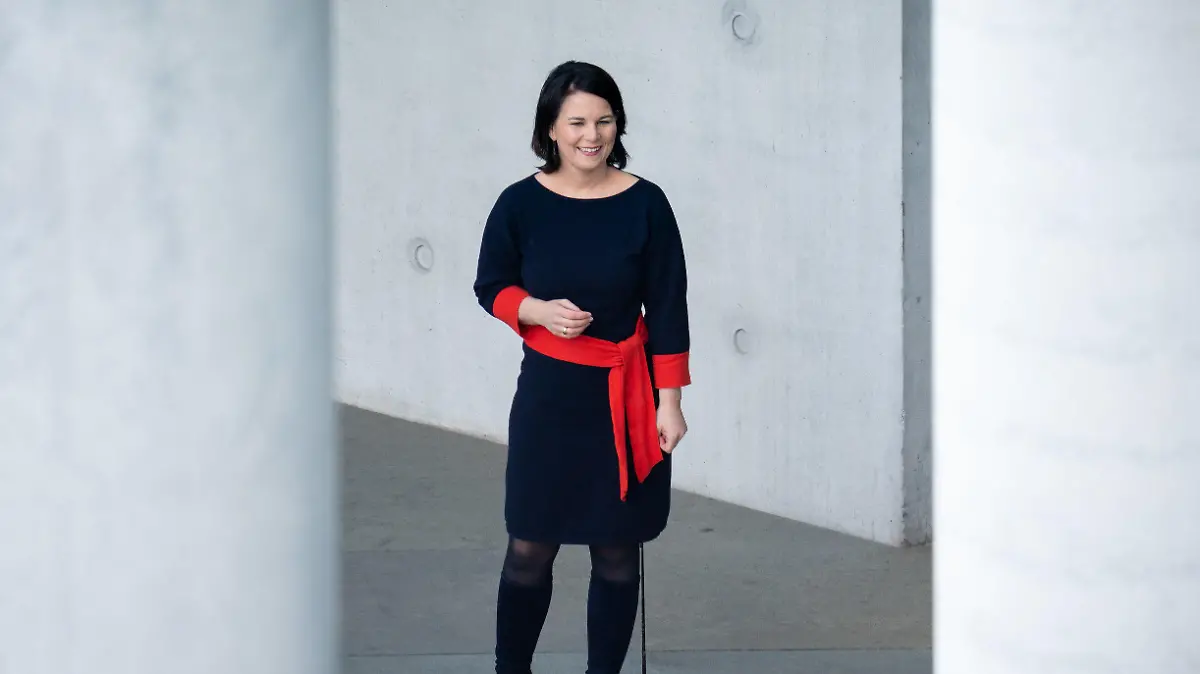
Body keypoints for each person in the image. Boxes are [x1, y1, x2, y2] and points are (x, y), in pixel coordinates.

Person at [473, 60, 692, 674]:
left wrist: (668, 401)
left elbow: (668, 306)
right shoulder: (519, 204)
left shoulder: (647, 203)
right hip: (549, 399)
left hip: (626, 396)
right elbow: (490, 285)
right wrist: (536, 310)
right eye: (576, 122)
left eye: (604, 120)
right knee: (528, 548)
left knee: (618, 552)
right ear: (550, 128)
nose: (591, 134)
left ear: (618, 126)